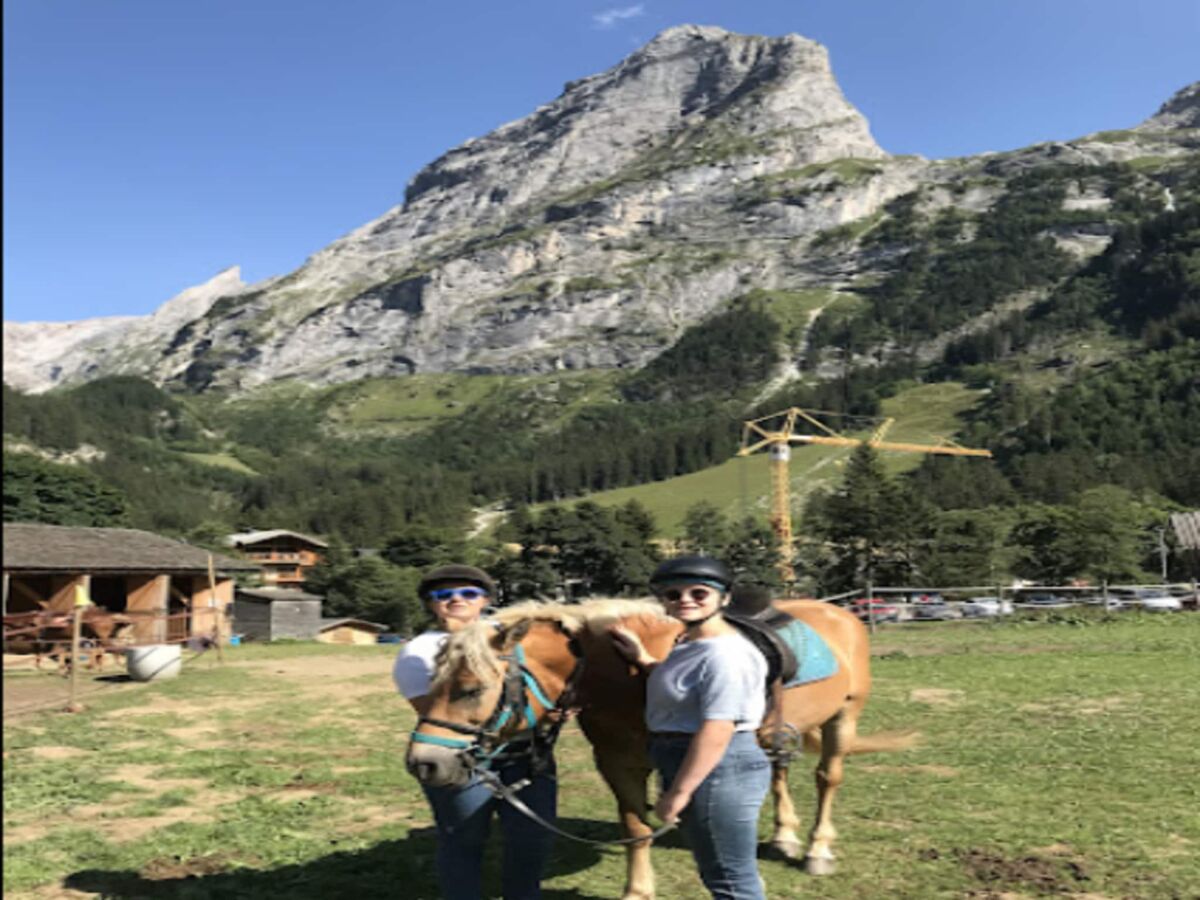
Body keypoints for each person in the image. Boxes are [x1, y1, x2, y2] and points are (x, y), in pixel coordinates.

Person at [609, 556, 771, 900]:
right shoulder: (690, 645)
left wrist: (678, 794)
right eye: (673, 594)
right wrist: (642, 659)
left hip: (719, 766)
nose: (685, 600)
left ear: (724, 599)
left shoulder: (725, 655)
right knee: (718, 869)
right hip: (691, 760)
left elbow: (718, 728)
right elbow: (683, 687)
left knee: (730, 877)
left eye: (699, 593)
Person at [393, 564, 557, 900]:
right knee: (463, 841)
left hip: (528, 758)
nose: (456, 599)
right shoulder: (419, 652)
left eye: (468, 593)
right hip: (463, 759)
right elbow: (438, 716)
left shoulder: (510, 641)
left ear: (484, 600)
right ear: (431, 604)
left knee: (531, 842)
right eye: (444, 595)